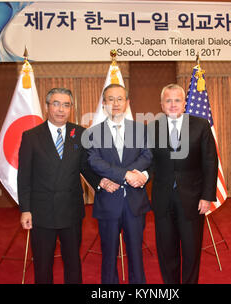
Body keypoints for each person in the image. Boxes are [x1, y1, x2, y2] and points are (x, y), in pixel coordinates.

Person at [17, 87, 102, 284]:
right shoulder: (31, 136)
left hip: (71, 210)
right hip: (41, 211)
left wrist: (102, 183)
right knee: (43, 263)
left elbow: (86, 168)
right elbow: (24, 176)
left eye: (66, 105)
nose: (61, 109)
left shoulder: (79, 133)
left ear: (71, 107)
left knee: (73, 262)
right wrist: (25, 209)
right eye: (56, 104)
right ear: (47, 106)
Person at [147, 83, 218, 284]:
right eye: (168, 100)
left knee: (191, 251)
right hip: (163, 200)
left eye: (177, 100)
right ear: (161, 104)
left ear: (184, 103)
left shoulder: (200, 125)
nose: (172, 104)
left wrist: (207, 196)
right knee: (166, 252)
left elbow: (210, 162)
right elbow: (147, 160)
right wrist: (138, 175)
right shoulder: (152, 128)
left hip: (193, 200)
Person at [86, 84, 152, 284]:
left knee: (136, 254)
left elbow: (148, 155)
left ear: (127, 103)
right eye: (110, 99)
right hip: (108, 203)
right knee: (108, 255)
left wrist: (134, 175)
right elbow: (94, 161)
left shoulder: (141, 129)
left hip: (135, 203)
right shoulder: (93, 133)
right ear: (104, 103)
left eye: (120, 99)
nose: (115, 103)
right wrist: (127, 175)